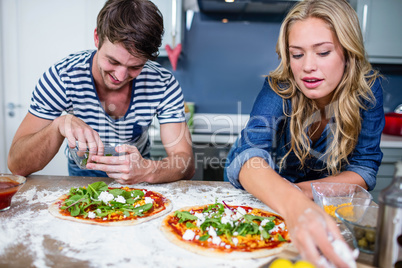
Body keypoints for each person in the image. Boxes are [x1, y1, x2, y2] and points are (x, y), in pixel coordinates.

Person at [224, 0, 384, 266]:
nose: (307, 66)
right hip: (280, 198)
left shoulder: (368, 90)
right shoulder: (280, 86)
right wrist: (295, 205)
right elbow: (249, 156)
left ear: (348, 52)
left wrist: (299, 197)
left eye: (322, 52)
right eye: (297, 54)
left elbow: (364, 169)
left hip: (301, 201)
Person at [7, 0, 195, 184]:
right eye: (113, 61)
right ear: (97, 38)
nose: (121, 76)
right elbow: (16, 165)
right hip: (81, 176)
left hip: (139, 178)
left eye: (135, 67)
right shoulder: (63, 76)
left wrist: (148, 170)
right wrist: (59, 125)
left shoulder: (163, 83)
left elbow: (186, 163)